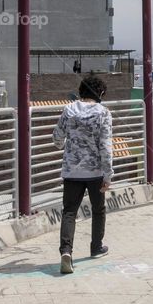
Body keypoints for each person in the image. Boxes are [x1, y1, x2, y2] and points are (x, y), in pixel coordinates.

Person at [53, 75, 113, 274]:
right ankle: (96, 247)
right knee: (98, 209)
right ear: (101, 93)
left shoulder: (68, 110)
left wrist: (64, 145)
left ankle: (66, 252)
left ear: (81, 91)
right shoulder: (103, 113)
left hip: (72, 170)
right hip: (95, 171)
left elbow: (57, 138)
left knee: (69, 211)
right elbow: (105, 146)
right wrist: (108, 174)